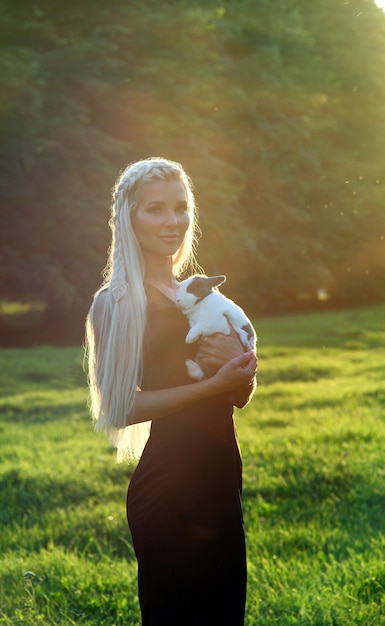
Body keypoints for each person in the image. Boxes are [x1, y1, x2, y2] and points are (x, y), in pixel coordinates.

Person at [85, 157, 257, 626]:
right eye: (155, 209)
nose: (172, 221)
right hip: (170, 491)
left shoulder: (197, 295)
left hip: (220, 483)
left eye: (180, 208)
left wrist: (242, 375)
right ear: (129, 216)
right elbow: (119, 408)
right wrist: (211, 388)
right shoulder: (118, 301)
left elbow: (234, 396)